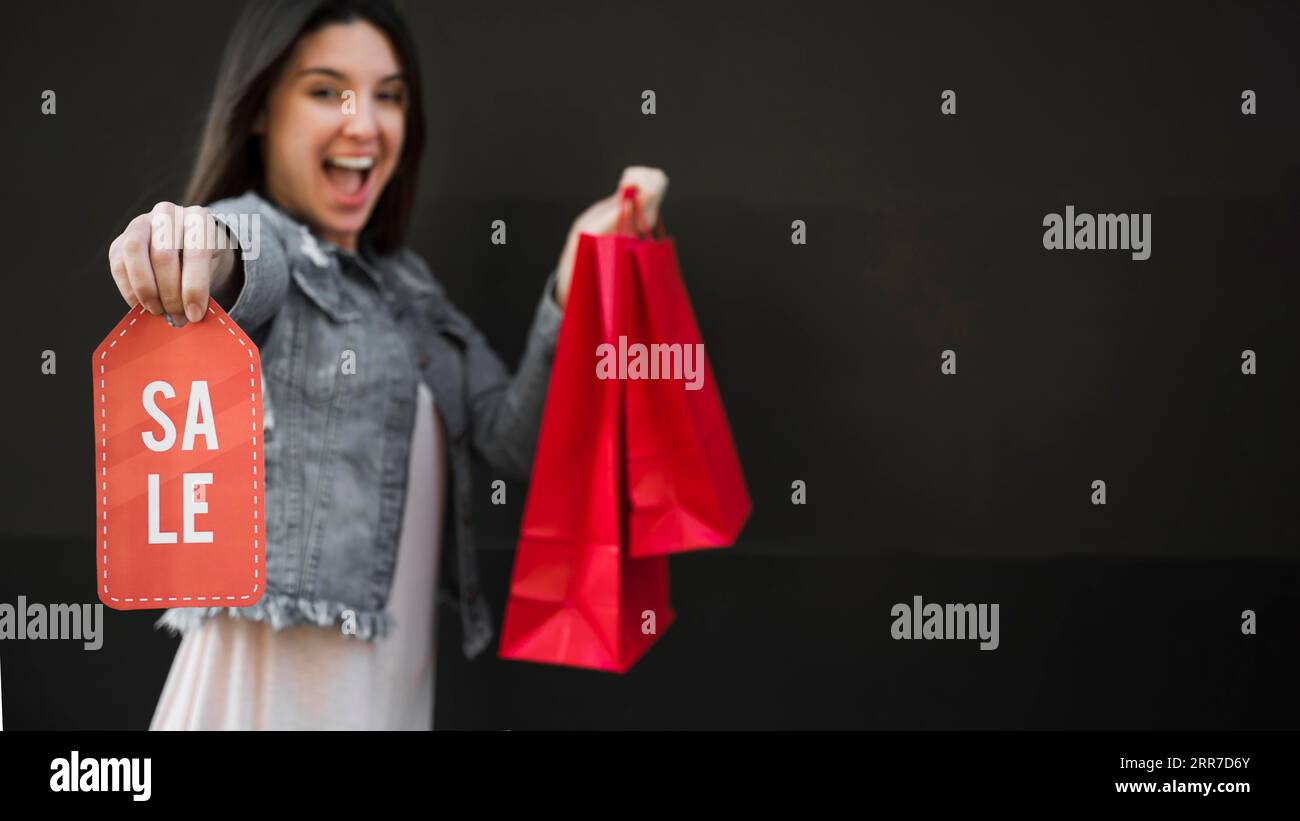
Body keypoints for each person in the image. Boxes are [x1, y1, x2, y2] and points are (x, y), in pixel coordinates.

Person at [104, 0, 668, 730]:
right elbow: (244, 256)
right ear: (259, 112)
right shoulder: (261, 238)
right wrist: (194, 240)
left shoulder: (410, 290)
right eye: (325, 91)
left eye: (389, 95)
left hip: (389, 705)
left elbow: (515, 437)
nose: (366, 124)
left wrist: (577, 270)